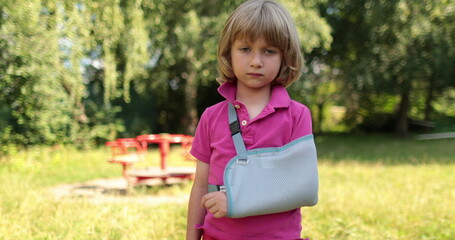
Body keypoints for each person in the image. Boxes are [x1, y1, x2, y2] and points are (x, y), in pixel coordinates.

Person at [186, 0, 314, 239]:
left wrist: (236, 200)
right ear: (228, 53)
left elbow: (300, 186)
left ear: (284, 57)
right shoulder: (211, 117)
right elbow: (201, 187)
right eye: (245, 49)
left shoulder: (298, 115)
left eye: (269, 51)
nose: (256, 61)